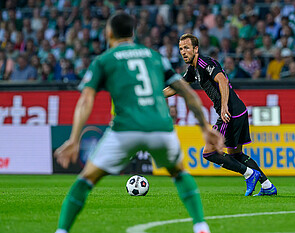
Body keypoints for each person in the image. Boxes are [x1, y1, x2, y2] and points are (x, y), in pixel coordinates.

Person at [54, 13, 224, 233]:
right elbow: (188, 94)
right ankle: (201, 226)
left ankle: (62, 230)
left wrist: (74, 139)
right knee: (180, 174)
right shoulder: (154, 56)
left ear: (109, 33)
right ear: (133, 34)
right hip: (161, 127)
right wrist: (204, 128)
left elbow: (86, 100)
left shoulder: (104, 60)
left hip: (125, 129)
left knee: (86, 179)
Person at [164, 33, 277, 196]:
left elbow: (222, 80)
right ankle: (267, 186)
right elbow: (177, 87)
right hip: (239, 111)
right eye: (181, 48)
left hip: (230, 112)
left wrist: (224, 107)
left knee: (209, 152)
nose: (183, 52)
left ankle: (249, 174)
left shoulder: (205, 63)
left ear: (196, 49)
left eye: (187, 48)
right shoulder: (193, 70)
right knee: (236, 154)